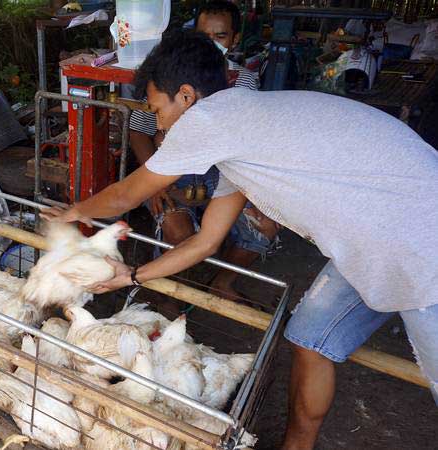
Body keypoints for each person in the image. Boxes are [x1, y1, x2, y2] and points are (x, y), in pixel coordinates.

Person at [43, 30, 438, 449]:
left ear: (187, 97)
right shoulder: (245, 136)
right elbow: (204, 242)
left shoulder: (212, 122)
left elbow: (127, 194)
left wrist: (74, 212)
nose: (156, 123)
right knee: (309, 338)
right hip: (373, 240)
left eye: (157, 109)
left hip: (419, 241)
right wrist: (133, 277)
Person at [129, 0, 278, 299]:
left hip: (224, 177)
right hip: (174, 175)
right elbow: (139, 132)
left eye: (220, 36)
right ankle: (169, 299)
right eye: (203, 36)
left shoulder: (244, 81)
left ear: (235, 39)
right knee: (179, 232)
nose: (211, 45)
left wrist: (257, 194)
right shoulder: (168, 79)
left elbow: (246, 145)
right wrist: (154, 187)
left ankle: (222, 283)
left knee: (265, 225)